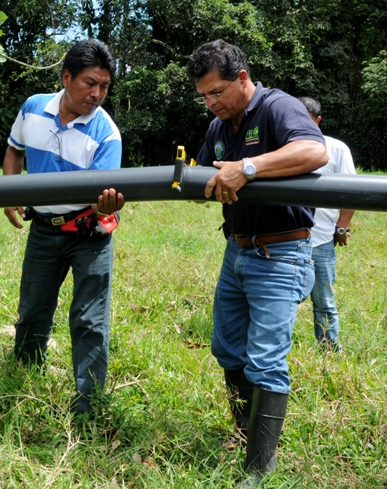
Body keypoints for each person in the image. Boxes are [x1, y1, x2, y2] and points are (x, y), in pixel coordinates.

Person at [186, 40, 328, 485]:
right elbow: (206, 172)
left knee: (265, 359)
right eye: (203, 96)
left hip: (281, 250)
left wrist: (246, 168)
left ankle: (259, 469)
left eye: (217, 93)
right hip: (238, 249)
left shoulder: (277, 107)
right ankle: (244, 432)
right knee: (227, 348)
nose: (210, 104)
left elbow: (314, 152)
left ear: (243, 79)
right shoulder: (219, 125)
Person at [3, 40, 124, 417]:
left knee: (89, 319)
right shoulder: (33, 108)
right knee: (34, 306)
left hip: (89, 233)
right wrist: (10, 193)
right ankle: (24, 373)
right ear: (66, 77)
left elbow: (103, 193)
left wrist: (107, 204)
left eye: (104, 86)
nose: (97, 94)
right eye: (90, 83)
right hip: (42, 228)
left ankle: (88, 404)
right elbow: (14, 152)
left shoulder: (107, 134)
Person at [297, 96, 355, 353]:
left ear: (318, 122)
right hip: (286, 238)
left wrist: (341, 227)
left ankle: (329, 352)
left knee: (324, 301)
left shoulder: (336, 149)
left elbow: (352, 191)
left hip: (320, 240)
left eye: (307, 122)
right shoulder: (282, 147)